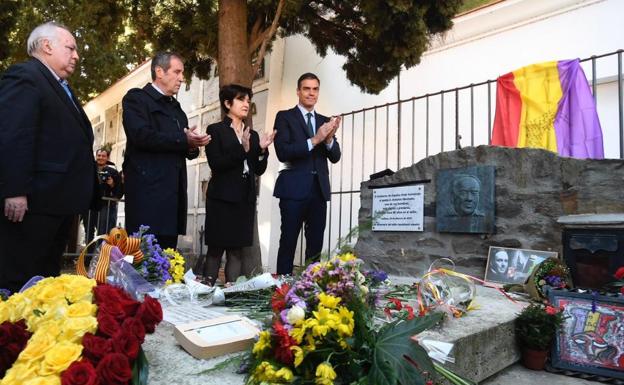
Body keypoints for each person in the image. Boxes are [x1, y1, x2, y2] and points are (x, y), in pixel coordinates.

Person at [0, 22, 97, 293]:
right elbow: (14, 134)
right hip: (34, 202)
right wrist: (15, 190)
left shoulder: (59, 85)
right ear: (46, 45)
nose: (76, 55)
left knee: (45, 281)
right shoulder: (26, 76)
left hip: (58, 203)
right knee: (19, 279)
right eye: (71, 48)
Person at [122, 52, 210, 249]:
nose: (181, 78)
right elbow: (140, 135)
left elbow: (183, 148)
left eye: (182, 73)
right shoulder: (136, 99)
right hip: (147, 194)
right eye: (177, 72)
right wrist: (182, 139)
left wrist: (193, 145)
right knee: (143, 260)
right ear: (159, 72)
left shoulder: (177, 110)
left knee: (167, 261)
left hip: (172, 195)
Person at [202, 84, 274, 285]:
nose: (246, 103)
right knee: (216, 247)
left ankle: (231, 291)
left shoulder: (253, 134)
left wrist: (261, 150)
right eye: (241, 99)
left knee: (237, 249)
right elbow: (217, 163)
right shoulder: (215, 130)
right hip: (221, 198)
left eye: (248, 100)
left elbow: (257, 169)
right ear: (227, 103)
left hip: (244, 199)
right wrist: (242, 148)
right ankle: (207, 286)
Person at [273, 73, 341, 275]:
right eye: (306, 88)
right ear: (298, 91)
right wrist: (315, 139)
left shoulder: (324, 120)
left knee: (315, 247)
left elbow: (335, 156)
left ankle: (311, 290)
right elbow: (283, 152)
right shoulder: (285, 117)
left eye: (315, 89)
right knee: (288, 242)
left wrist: (328, 140)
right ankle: (282, 288)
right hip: (293, 190)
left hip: (318, 191)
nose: (311, 93)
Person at [81, 148, 123, 246]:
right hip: (90, 205)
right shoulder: (89, 169)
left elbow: (119, 192)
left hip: (105, 207)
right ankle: (87, 258)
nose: (100, 158)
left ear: (107, 157)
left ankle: (101, 257)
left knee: (103, 232)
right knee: (88, 231)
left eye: (103, 156)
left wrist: (112, 184)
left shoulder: (113, 172)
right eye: (99, 155)